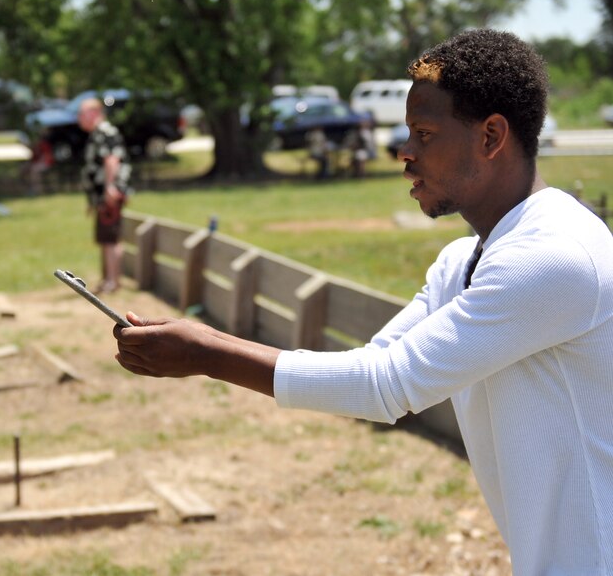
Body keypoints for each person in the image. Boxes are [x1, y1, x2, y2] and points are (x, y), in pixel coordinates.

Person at [114, 29, 613, 574]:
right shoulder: (465, 261)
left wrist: (207, 354)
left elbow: (385, 387)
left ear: (492, 136)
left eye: (424, 134)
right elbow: (370, 369)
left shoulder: (555, 256)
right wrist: (206, 344)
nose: (404, 152)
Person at [78, 97, 132, 294]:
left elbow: (112, 160)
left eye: (81, 114)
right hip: (102, 196)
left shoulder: (105, 132)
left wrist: (110, 188)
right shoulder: (98, 133)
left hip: (110, 195)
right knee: (105, 237)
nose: (78, 119)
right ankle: (108, 278)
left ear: (93, 113)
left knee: (111, 238)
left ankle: (113, 281)